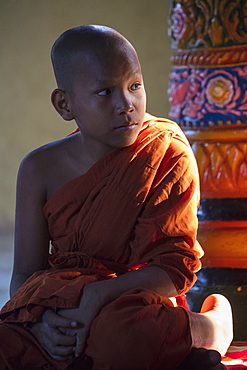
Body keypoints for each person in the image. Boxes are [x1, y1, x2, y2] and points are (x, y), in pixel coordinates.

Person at [0, 25, 233, 370]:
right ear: (64, 104)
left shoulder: (165, 151)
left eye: (135, 85)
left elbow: (174, 268)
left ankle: (210, 328)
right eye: (105, 91)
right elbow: (24, 275)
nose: (126, 104)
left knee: (121, 336)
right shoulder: (38, 168)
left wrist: (101, 294)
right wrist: (41, 323)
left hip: (134, 300)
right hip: (66, 300)